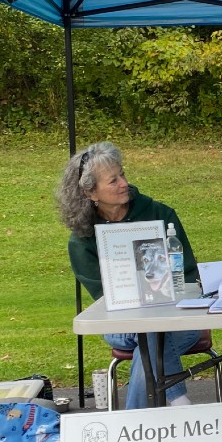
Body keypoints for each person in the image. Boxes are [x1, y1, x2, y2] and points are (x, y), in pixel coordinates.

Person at [56, 141, 201, 409]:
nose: (124, 183)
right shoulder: (82, 241)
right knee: (147, 331)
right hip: (122, 325)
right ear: (90, 193)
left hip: (178, 319)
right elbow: (105, 302)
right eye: (113, 180)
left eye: (122, 174)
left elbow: (190, 276)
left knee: (147, 344)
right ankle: (177, 401)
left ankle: (136, 428)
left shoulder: (160, 214)